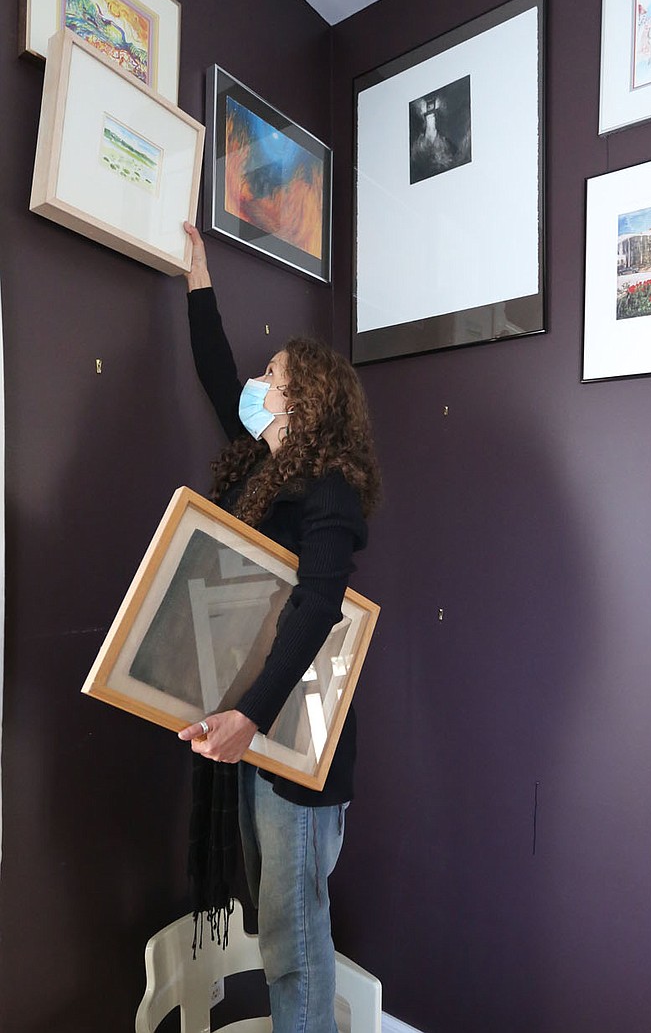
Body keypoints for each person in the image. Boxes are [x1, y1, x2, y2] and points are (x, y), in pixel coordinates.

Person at [177, 223, 380, 1033]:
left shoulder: (327, 487)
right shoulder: (267, 466)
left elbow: (318, 605)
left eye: (273, 376)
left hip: (299, 743)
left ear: (305, 400)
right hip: (261, 729)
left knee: (295, 943)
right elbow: (217, 370)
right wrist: (196, 274)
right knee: (282, 924)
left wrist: (251, 715)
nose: (256, 383)